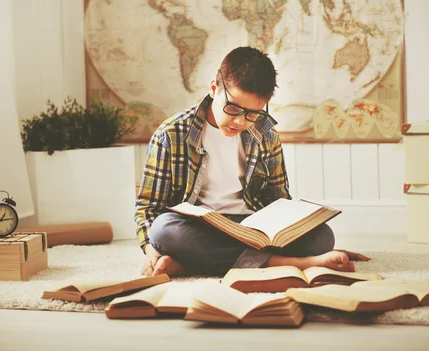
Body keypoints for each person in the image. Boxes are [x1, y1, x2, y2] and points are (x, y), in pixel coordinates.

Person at [135, 46, 369, 278]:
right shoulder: (171, 134)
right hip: (198, 228)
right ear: (214, 88)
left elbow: (278, 200)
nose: (239, 121)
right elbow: (148, 208)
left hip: (251, 226)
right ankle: (284, 263)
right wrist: (150, 250)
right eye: (233, 108)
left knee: (322, 236)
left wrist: (297, 226)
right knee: (164, 229)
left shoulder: (266, 134)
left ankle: (187, 266)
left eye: (252, 113)